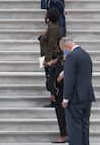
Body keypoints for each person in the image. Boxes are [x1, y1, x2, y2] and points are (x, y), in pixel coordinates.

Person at [60, 37, 94, 145]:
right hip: (87, 95)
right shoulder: (86, 54)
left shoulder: (71, 56)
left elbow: (69, 79)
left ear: (66, 46)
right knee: (84, 127)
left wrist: (65, 98)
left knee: (75, 129)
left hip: (75, 98)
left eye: (63, 50)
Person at [40, 10, 67, 143]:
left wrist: (47, 61)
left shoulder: (53, 28)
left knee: (50, 79)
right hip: (45, 57)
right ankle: (52, 97)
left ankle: (53, 98)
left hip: (48, 58)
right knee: (48, 79)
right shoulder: (52, 27)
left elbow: (51, 46)